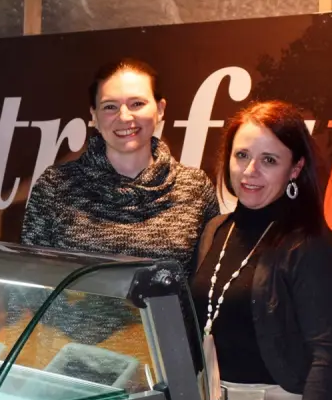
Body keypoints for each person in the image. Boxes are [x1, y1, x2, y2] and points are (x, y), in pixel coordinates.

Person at [190, 100, 332, 400]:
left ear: (295, 169)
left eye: (269, 160)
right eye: (242, 155)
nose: (250, 171)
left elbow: (326, 355)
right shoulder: (216, 231)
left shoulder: (305, 246)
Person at [20, 58, 219, 274]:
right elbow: (31, 278)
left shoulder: (195, 187)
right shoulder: (55, 186)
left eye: (137, 104)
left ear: (160, 109)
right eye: (110, 107)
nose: (124, 117)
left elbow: (209, 283)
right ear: (94, 116)